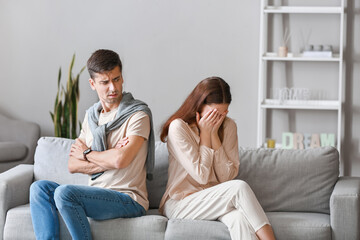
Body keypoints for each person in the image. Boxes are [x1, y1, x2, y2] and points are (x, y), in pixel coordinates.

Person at [30, 49, 154, 240]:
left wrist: (87, 152)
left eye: (117, 79)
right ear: (92, 84)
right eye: (105, 82)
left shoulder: (138, 114)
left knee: (65, 193)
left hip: (129, 199)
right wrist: (109, 158)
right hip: (97, 194)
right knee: (39, 188)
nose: (113, 88)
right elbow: (72, 164)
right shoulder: (92, 118)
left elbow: (120, 160)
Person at [159, 77, 276, 240]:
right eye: (213, 114)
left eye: (223, 114)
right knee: (239, 188)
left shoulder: (228, 126)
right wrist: (205, 135)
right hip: (182, 203)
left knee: (239, 218)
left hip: (215, 200)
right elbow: (201, 175)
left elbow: (226, 177)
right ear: (198, 106)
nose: (218, 120)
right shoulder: (178, 127)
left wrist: (214, 136)